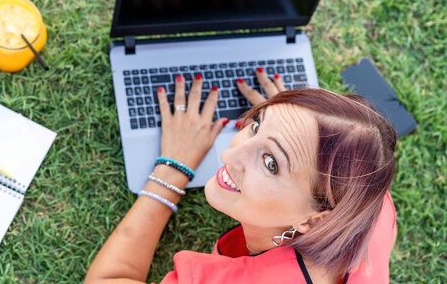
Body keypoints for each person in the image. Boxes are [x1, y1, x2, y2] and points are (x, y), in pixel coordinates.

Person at [85, 70, 397, 284]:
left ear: (313, 221)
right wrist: (292, 122)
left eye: (271, 164)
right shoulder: (373, 206)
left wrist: (173, 168)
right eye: (257, 123)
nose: (229, 155)